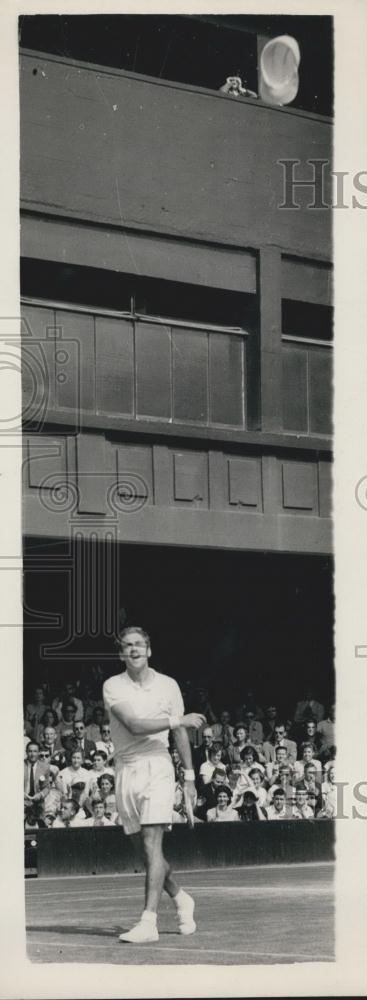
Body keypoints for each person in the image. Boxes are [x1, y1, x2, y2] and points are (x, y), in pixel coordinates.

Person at [103, 625, 206, 944]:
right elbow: (133, 725)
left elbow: (179, 736)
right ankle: (180, 897)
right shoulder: (112, 686)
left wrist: (189, 777)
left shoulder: (169, 685)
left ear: (149, 650)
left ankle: (149, 922)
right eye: (126, 646)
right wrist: (180, 719)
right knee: (146, 856)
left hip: (158, 767)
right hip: (125, 770)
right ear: (121, 653)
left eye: (138, 644)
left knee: (152, 846)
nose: (133, 649)